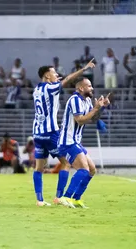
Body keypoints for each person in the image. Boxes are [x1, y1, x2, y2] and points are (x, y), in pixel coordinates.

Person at [32, 59, 95, 207]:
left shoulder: (37, 90)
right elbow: (67, 80)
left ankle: (39, 200)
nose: (57, 75)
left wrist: (54, 80)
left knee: (39, 168)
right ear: (47, 76)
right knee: (66, 163)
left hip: (37, 133)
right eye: (54, 74)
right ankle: (60, 197)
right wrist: (83, 69)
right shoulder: (50, 88)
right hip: (51, 132)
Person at [58, 79, 110, 208]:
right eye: (89, 86)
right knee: (83, 169)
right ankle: (66, 197)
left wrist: (101, 108)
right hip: (67, 141)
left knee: (92, 170)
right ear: (81, 88)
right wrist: (96, 108)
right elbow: (80, 120)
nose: (92, 88)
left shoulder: (86, 101)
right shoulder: (74, 100)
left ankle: (76, 199)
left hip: (75, 141)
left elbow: (92, 119)